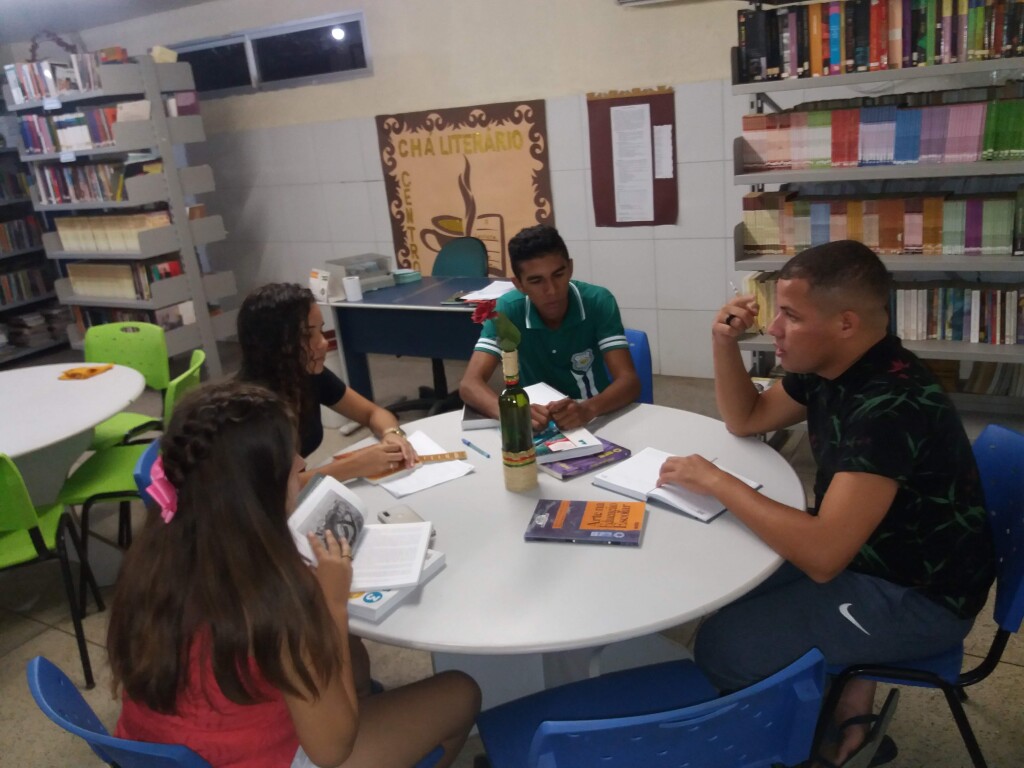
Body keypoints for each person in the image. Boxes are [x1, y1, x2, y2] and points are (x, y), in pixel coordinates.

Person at [657, 240, 994, 765]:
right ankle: (840, 690)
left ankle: (813, 744)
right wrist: (723, 342)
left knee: (725, 646)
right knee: (727, 583)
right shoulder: (836, 367)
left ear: (845, 324)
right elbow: (746, 418)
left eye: (790, 315)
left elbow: (823, 556)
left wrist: (720, 481)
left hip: (920, 598)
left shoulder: (888, 404)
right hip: (874, 556)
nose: (772, 328)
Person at [107, 381, 480, 768]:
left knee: (353, 662)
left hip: (156, 751)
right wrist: (332, 606)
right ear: (258, 492)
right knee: (461, 692)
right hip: (269, 757)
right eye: (290, 459)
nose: (302, 463)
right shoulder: (275, 595)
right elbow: (332, 751)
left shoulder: (153, 557)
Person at [459, 224, 640, 431]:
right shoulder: (507, 310)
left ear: (570, 268)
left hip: (592, 415)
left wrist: (588, 409)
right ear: (519, 284)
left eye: (558, 275)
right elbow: (469, 384)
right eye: (536, 281)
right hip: (534, 421)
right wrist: (511, 411)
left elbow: (629, 382)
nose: (551, 290)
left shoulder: (598, 301)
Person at [238, 282, 417, 487]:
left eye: (321, 331)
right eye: (307, 335)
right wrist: (354, 466)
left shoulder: (307, 375)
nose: (323, 343)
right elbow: (272, 490)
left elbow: (373, 413)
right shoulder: (249, 409)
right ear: (273, 344)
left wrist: (391, 434)